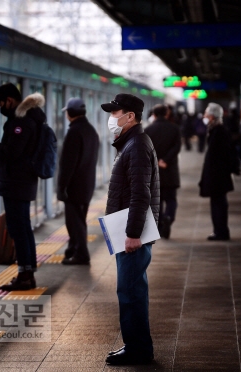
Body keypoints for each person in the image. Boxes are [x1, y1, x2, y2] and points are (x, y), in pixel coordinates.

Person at [100, 94, 159, 366]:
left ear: (130, 116)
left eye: (116, 112)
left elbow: (140, 194)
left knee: (130, 291)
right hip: (127, 228)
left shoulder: (135, 145)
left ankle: (137, 349)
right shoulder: (132, 143)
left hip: (131, 232)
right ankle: (138, 346)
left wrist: (133, 233)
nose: (112, 118)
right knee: (133, 289)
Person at [0, 83, 45, 291]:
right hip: (22, 181)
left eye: (1, 103)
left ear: (9, 100)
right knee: (22, 228)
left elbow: (14, 152)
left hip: (17, 182)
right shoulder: (27, 119)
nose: (1, 107)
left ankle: (25, 275)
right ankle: (27, 273)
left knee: (19, 229)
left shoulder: (21, 122)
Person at [57, 98, 100, 265]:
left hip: (74, 186)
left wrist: (62, 187)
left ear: (69, 113)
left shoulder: (74, 132)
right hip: (87, 184)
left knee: (75, 222)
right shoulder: (91, 130)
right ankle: (72, 249)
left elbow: (68, 164)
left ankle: (82, 254)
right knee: (78, 219)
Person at [199, 103, 240, 241]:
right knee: (218, 203)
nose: (204, 116)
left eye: (206, 114)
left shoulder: (219, 132)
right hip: (217, 175)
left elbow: (220, 156)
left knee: (219, 204)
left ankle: (221, 232)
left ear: (211, 116)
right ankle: (219, 230)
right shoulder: (216, 130)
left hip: (218, 176)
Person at [145, 104, 181, 239]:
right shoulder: (174, 128)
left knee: (157, 200)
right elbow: (177, 147)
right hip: (170, 169)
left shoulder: (148, 129)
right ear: (167, 113)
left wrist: (157, 161)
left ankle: (160, 225)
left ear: (153, 114)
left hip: (154, 172)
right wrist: (165, 160)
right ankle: (169, 217)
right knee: (171, 199)